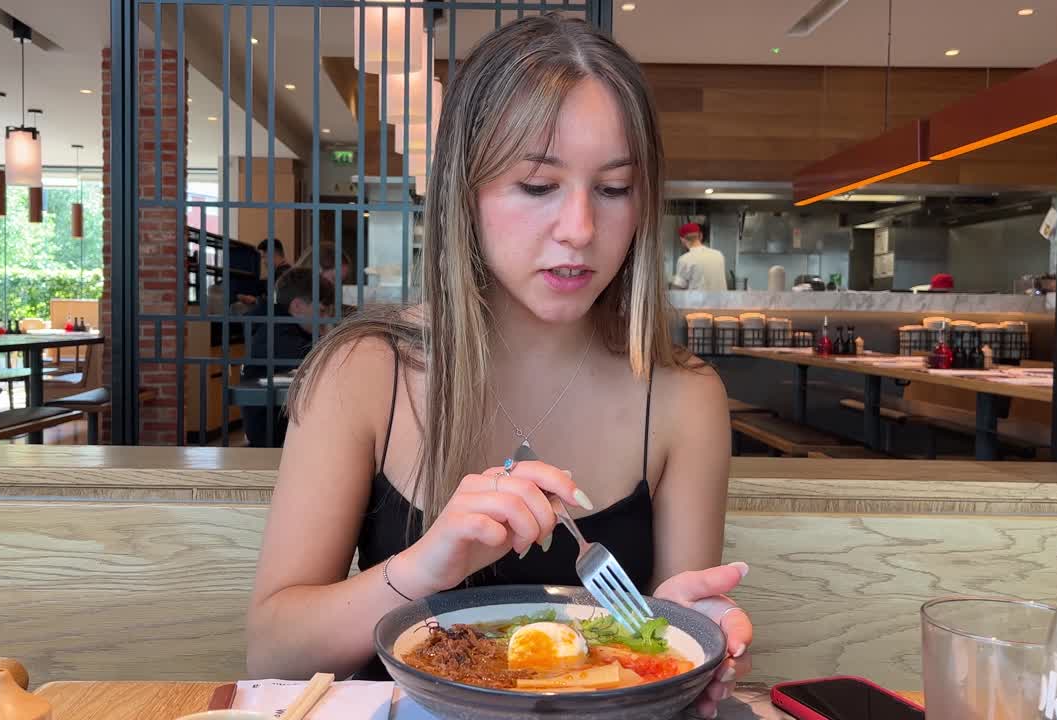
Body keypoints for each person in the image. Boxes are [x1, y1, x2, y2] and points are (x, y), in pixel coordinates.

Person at [246, 15, 751, 718]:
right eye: (538, 185)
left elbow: (669, 638)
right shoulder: (364, 371)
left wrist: (682, 640)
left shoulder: (681, 395)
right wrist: (424, 567)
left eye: (613, 188)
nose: (580, 228)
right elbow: (271, 654)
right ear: (465, 192)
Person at [240, 268, 335, 447]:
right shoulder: (277, 331)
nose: (324, 318)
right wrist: (329, 332)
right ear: (297, 306)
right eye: (322, 311)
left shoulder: (282, 326)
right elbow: (324, 359)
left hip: (282, 435)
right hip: (274, 442)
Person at [670, 222, 728, 291]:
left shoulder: (685, 259)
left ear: (682, 239)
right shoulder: (718, 254)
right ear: (701, 236)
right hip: (721, 297)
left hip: (698, 298)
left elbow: (678, 288)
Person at [238, 239, 293, 306]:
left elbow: (276, 301)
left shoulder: (283, 276)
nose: (263, 261)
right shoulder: (286, 272)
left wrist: (255, 300)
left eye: (264, 257)